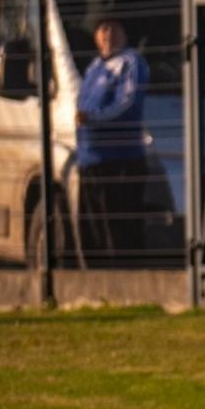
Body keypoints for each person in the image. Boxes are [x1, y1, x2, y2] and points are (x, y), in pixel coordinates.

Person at [75, 18, 150, 266]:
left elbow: (126, 104)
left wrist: (93, 119)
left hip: (119, 159)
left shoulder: (130, 62)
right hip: (90, 158)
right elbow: (82, 103)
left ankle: (124, 280)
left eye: (114, 29)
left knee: (118, 228)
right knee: (93, 228)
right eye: (103, 29)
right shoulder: (95, 66)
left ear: (125, 34)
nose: (107, 35)